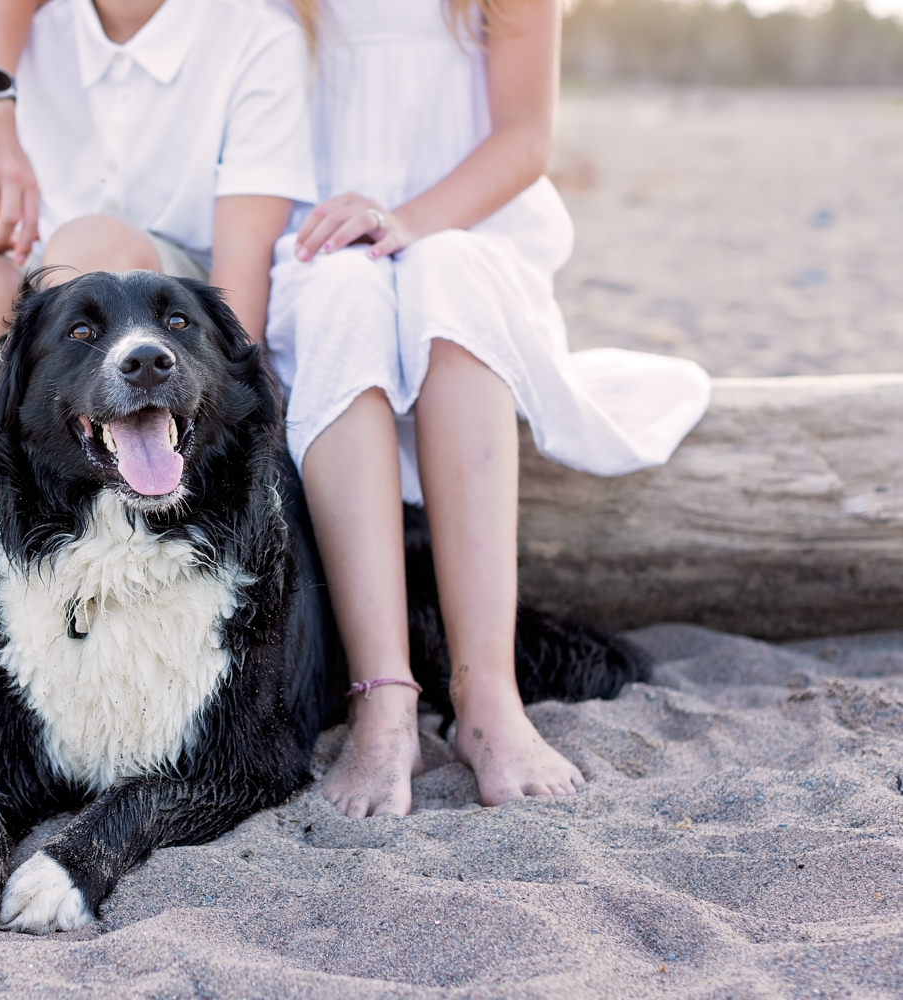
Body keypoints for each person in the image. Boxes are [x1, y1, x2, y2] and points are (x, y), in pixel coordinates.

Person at [266, 0, 710, 815]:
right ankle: (384, 700)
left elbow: (522, 139)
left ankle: (485, 694)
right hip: (319, 238)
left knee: (450, 276)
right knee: (341, 296)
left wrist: (405, 221)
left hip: (470, 227)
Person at [0, 0, 317, 711]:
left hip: (173, 312)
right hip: (47, 299)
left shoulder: (255, 37)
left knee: (98, 250)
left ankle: (76, 595)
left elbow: (236, 298)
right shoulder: (33, 33)